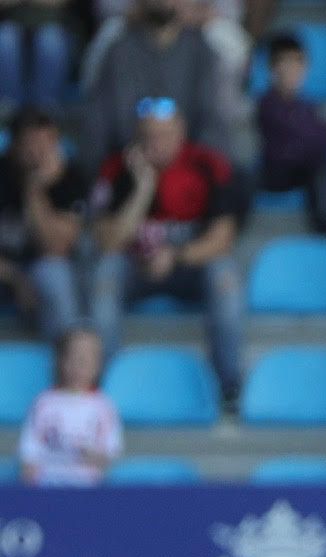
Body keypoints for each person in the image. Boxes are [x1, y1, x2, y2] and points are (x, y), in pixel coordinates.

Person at [90, 99, 247, 405]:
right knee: (105, 273)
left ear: (181, 133)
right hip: (134, 267)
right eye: (148, 135)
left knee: (225, 276)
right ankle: (97, 388)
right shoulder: (116, 169)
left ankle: (230, 387)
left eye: (164, 134)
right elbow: (108, 242)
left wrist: (174, 256)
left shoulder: (208, 164)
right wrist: (143, 187)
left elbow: (222, 238)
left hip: (190, 266)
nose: (156, 143)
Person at [82, 0, 230, 170]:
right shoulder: (119, 51)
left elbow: (212, 121)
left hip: (186, 168)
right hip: (129, 163)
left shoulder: (203, 52)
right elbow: (100, 122)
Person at [256, 31, 326, 235]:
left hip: (305, 169)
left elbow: (323, 128)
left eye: (299, 63)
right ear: (273, 68)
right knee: (321, 157)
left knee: (322, 159)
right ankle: (324, 226)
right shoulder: (268, 104)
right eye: (286, 63)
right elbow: (299, 136)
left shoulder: (307, 105)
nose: (293, 70)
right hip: (278, 172)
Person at [0, 108, 84, 341]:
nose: (39, 152)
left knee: (56, 276)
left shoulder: (70, 178)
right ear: (13, 146)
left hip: (43, 269)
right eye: (31, 144)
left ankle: (68, 372)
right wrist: (16, 279)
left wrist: (34, 190)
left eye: (48, 143)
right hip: (5, 270)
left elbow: (56, 248)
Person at [17, 328, 122, 487]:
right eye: (73, 357)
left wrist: (92, 456)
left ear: (98, 365)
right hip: (46, 484)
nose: (79, 365)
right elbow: (29, 452)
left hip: (87, 486)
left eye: (86, 359)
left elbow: (110, 451)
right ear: (61, 360)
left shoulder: (104, 406)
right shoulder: (43, 402)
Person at [0, 0, 74, 110]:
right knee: (5, 42)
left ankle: (46, 110)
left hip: (52, 22)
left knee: (51, 43)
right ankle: (8, 109)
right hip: (10, 21)